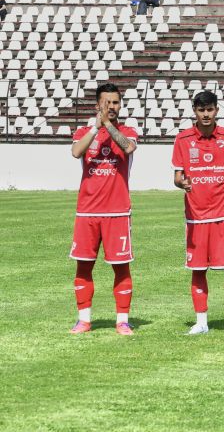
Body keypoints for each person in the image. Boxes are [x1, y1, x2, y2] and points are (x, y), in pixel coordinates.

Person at [171, 90, 224, 337]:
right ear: (195, 111)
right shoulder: (183, 140)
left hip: (223, 215)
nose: (206, 114)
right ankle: (201, 322)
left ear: (217, 110)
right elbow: (177, 177)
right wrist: (181, 183)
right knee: (198, 270)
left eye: (210, 109)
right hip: (196, 217)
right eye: (202, 110)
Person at [68, 82, 139, 335]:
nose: (111, 106)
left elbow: (128, 147)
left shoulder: (128, 130)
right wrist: (95, 130)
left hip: (117, 211)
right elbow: (76, 152)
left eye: (116, 102)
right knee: (83, 266)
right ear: (97, 104)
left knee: (121, 267)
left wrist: (108, 126)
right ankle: (84, 319)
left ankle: (122, 320)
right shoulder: (83, 132)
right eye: (107, 102)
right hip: (86, 211)